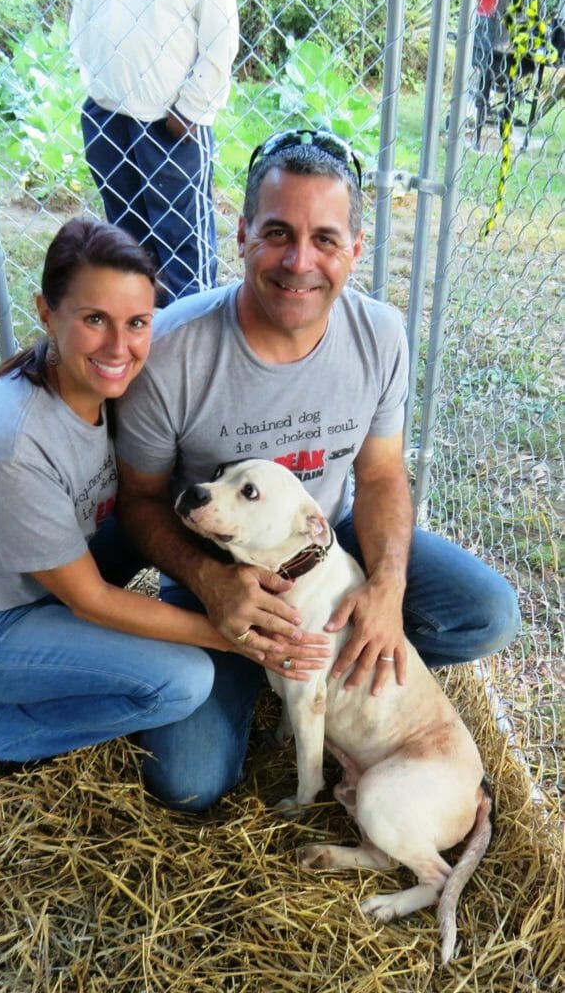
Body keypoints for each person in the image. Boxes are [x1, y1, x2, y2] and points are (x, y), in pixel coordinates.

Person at [115, 128, 522, 812]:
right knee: (187, 780)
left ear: (354, 251)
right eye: (276, 233)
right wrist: (214, 584)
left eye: (325, 239)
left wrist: (386, 590)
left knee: (483, 614)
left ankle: (334, 688)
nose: (299, 261)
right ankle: (266, 680)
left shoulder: (379, 335)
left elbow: (383, 476)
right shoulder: (176, 351)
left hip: (328, 545)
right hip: (217, 570)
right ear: (241, 234)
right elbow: (139, 500)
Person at [0, 216, 328, 777]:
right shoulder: (14, 440)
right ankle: (0, 727)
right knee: (183, 681)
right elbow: (90, 600)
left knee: (161, 514)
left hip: (45, 569)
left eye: (138, 322)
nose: (120, 347)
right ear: (47, 313)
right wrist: (237, 638)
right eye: (94, 319)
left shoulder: (101, 384)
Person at [69, 0, 238, 303]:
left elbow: (222, 38)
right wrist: (98, 88)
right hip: (107, 114)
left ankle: (194, 327)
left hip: (171, 123)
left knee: (182, 241)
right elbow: (82, 21)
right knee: (126, 233)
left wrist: (191, 107)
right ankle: (144, 321)